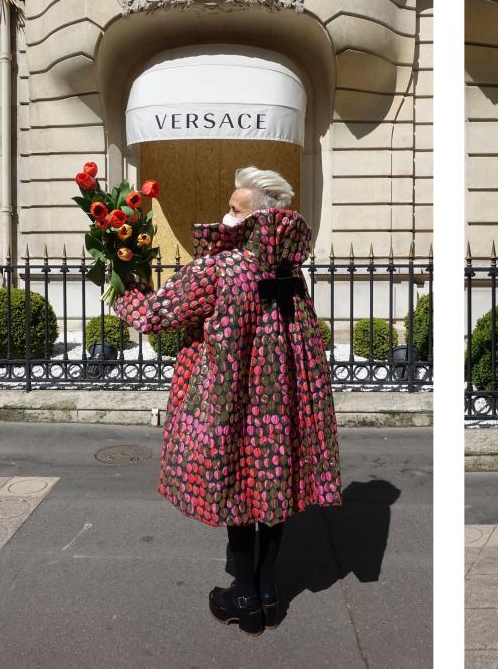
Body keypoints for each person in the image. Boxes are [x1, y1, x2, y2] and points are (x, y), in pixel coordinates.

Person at [112, 166, 342, 636]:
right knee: (272, 485)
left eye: (234, 210)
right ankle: (268, 591)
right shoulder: (290, 271)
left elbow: (157, 315)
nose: (225, 216)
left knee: (238, 487)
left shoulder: (219, 269)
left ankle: (242, 593)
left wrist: (124, 289)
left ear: (257, 221)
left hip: (231, 397)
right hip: (278, 401)